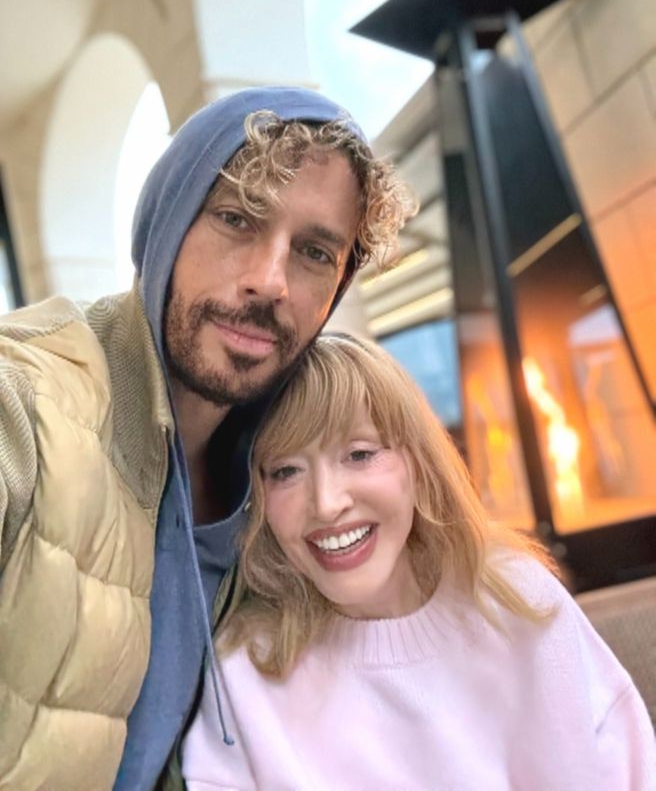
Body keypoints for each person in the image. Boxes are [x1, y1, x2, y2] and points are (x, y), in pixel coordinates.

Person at [0, 88, 415, 790]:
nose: (270, 282)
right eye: (236, 218)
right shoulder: (32, 403)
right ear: (168, 221)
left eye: (315, 252)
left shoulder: (286, 481)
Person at [180, 333, 656, 791]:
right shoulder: (245, 670)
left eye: (359, 455)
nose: (326, 503)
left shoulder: (518, 597)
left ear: (417, 464)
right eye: (285, 471)